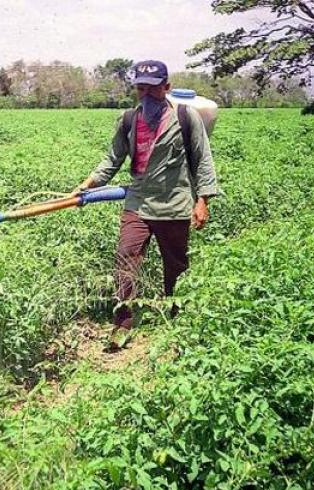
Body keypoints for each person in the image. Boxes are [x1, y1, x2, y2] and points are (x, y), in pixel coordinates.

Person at [73, 60, 220, 350]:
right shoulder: (128, 119)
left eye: (153, 89)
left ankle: (178, 319)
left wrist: (202, 200)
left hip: (174, 204)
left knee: (175, 267)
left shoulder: (185, 117)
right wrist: (87, 185)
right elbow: (112, 159)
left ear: (167, 88)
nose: (146, 94)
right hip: (138, 203)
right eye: (141, 88)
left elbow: (203, 160)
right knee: (125, 259)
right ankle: (122, 324)